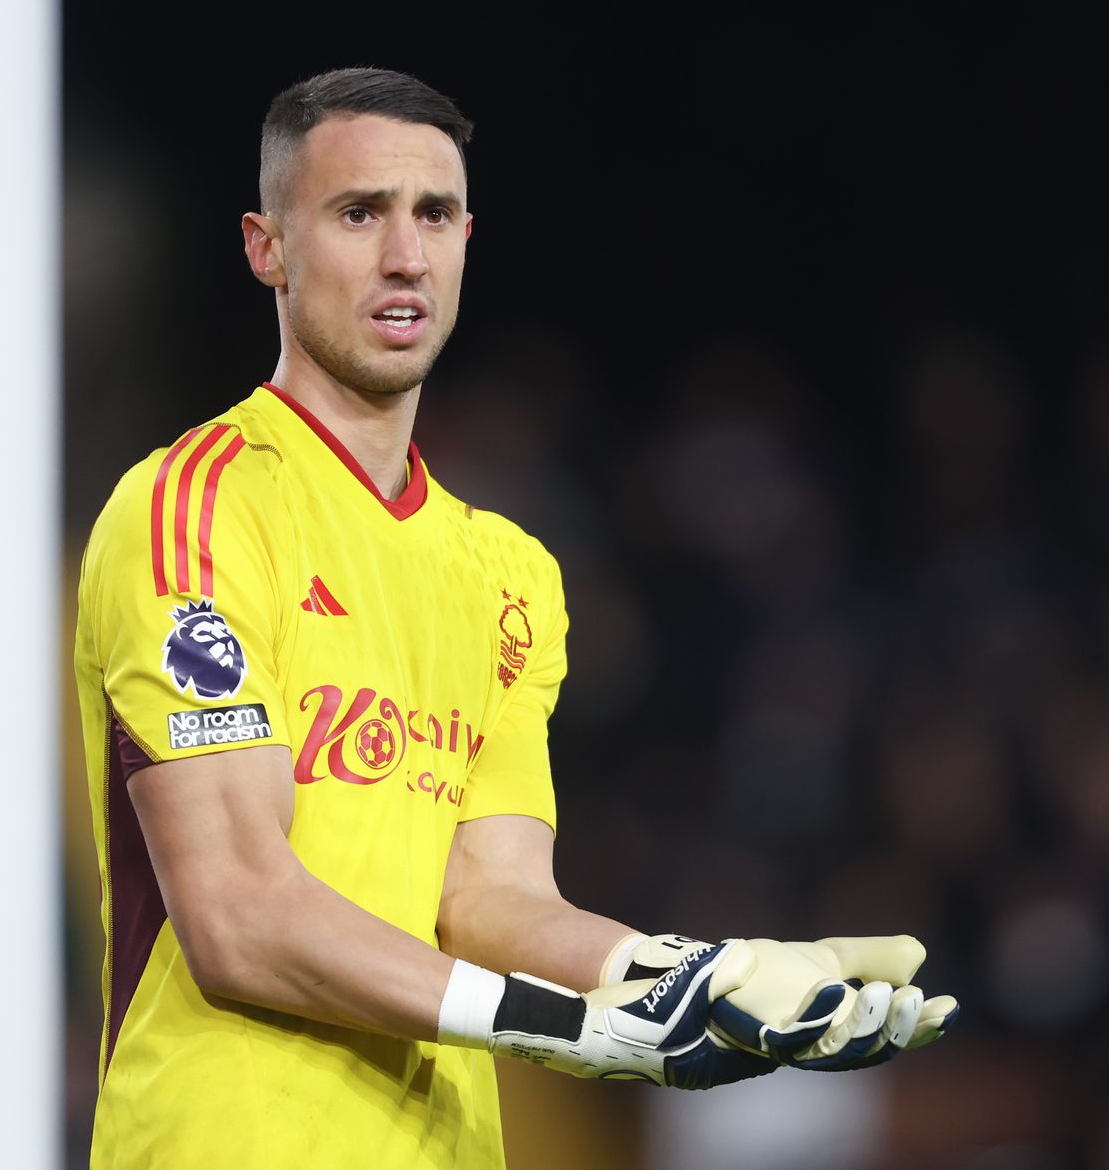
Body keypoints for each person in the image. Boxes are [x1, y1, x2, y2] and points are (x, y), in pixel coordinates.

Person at [72, 66, 957, 1169]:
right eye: (359, 214)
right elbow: (241, 918)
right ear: (268, 249)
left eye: (434, 214)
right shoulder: (195, 508)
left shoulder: (508, 575)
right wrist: (566, 1027)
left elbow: (489, 897)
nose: (405, 256)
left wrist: (693, 974)